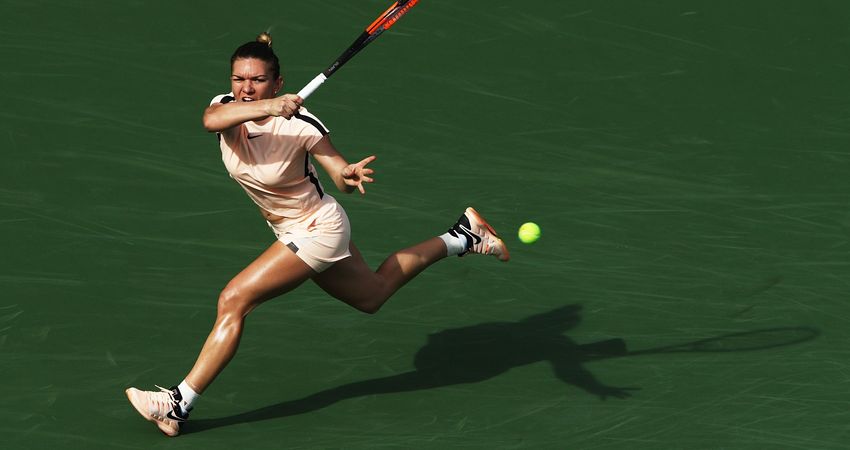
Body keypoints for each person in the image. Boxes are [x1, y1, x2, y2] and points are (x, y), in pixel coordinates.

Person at [124, 32, 509, 437]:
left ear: (277, 81)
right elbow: (209, 121)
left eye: (256, 80)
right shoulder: (226, 110)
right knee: (372, 295)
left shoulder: (302, 125)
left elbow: (339, 178)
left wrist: (347, 175)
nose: (245, 88)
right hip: (289, 226)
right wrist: (269, 106)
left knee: (234, 298)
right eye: (239, 79)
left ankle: (178, 402)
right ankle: (463, 236)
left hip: (318, 228)